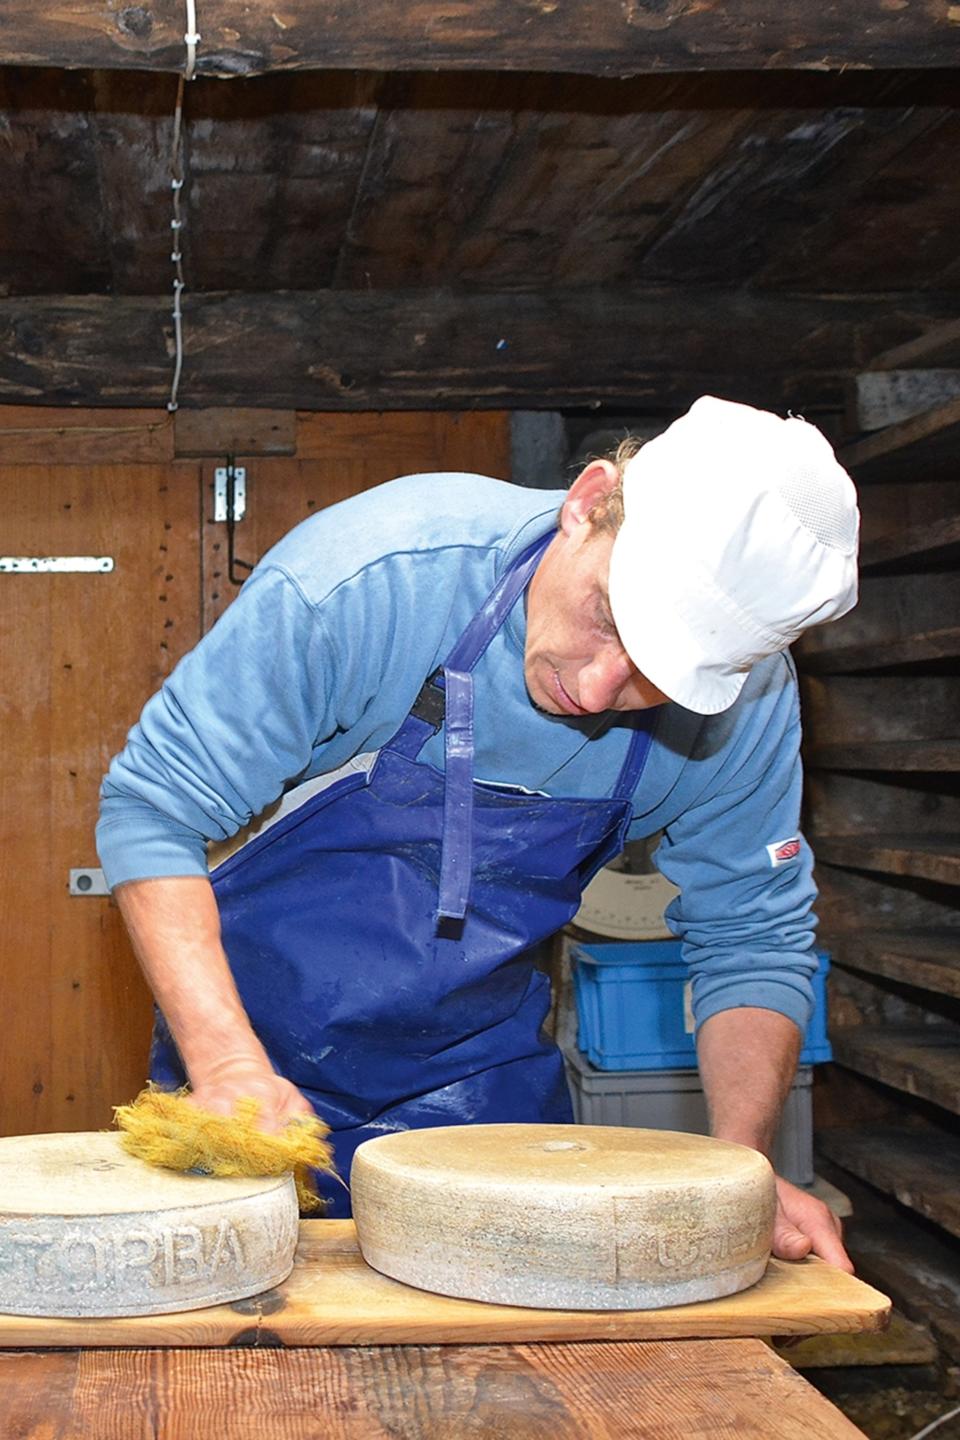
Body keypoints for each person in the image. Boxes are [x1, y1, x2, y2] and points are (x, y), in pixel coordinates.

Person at [97, 395, 859, 1268]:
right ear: (587, 502)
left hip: (483, 1082)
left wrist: (741, 1176)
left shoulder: (748, 708)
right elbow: (152, 808)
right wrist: (226, 1062)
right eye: (611, 620)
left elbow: (751, 935)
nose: (602, 687)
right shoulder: (378, 577)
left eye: (664, 676)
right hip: (246, 1064)